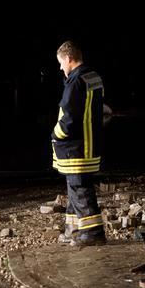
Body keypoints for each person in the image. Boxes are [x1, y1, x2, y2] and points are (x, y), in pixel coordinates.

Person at [50, 41, 106, 246]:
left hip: (75, 147)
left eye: (61, 63)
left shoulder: (75, 81)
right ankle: (73, 230)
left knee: (80, 189)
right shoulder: (93, 76)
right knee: (75, 188)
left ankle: (93, 233)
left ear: (69, 58)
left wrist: (56, 134)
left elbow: (69, 117)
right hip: (89, 144)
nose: (60, 68)